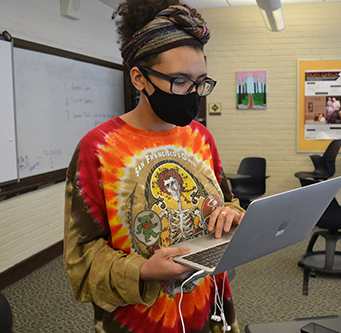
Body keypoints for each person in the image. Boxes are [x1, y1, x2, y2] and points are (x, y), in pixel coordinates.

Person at [63, 1, 245, 332]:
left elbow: (228, 202)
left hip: (207, 309)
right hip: (136, 320)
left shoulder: (201, 138)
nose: (192, 93)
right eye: (179, 81)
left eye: (200, 81)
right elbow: (81, 260)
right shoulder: (98, 148)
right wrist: (144, 271)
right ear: (139, 78)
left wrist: (232, 214)